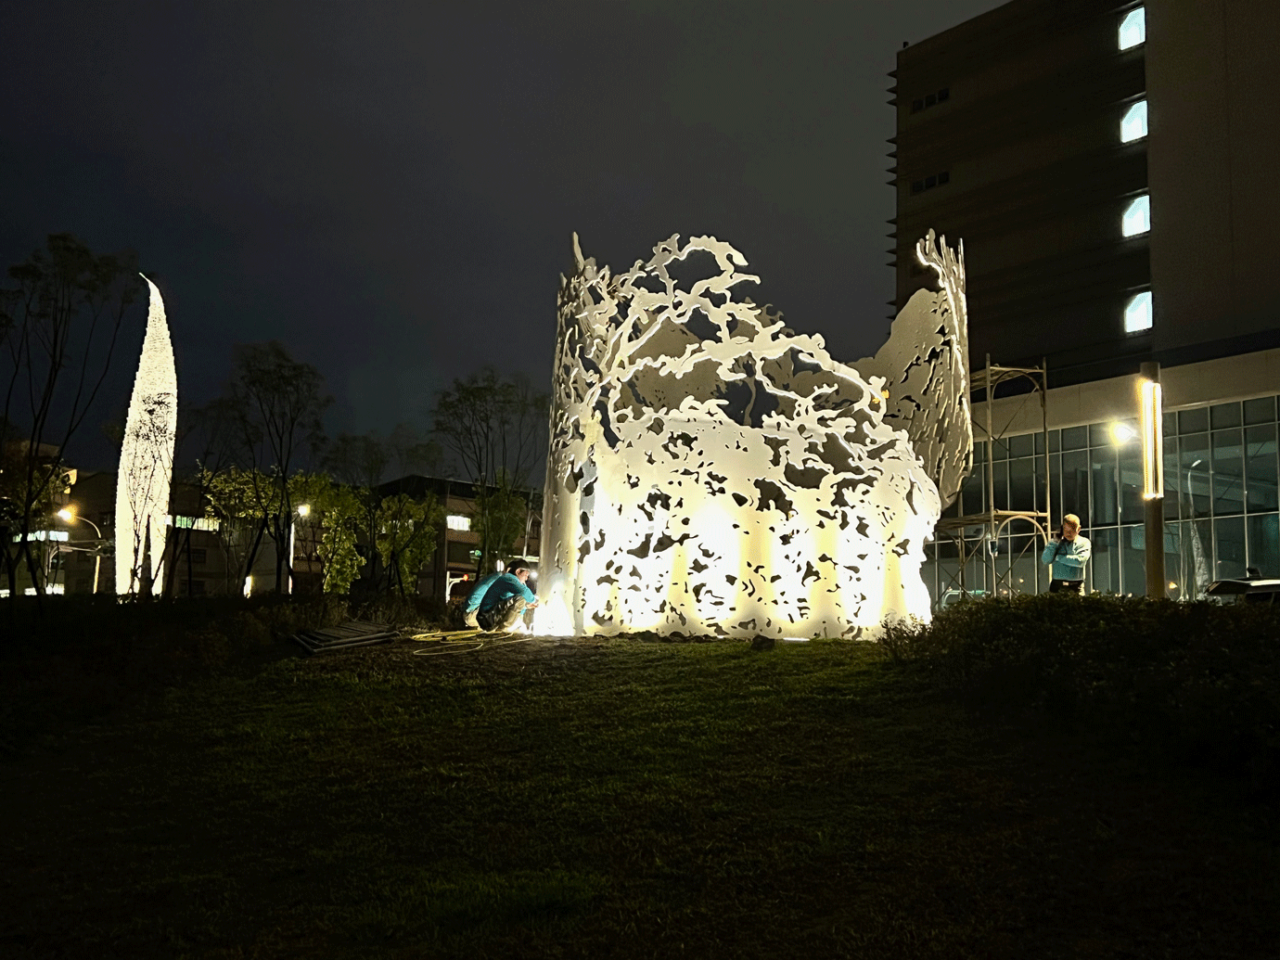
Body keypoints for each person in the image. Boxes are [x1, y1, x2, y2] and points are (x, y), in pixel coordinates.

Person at [463, 558, 539, 632]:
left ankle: (504, 627)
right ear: (518, 571)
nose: (526, 578)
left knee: (519, 601)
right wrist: (535, 600)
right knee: (520, 599)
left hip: (475, 614)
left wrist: (525, 606)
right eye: (526, 575)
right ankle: (504, 630)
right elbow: (524, 594)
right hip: (475, 614)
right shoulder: (506, 578)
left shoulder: (498, 577)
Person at [1041, 513, 1091, 594]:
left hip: (1076, 586)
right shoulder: (1055, 543)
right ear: (1062, 528)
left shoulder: (1084, 542)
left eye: (1072, 530)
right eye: (1066, 530)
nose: (1069, 533)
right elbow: (1045, 560)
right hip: (1057, 585)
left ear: (1079, 529)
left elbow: (1080, 561)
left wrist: (1058, 558)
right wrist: (1055, 542)